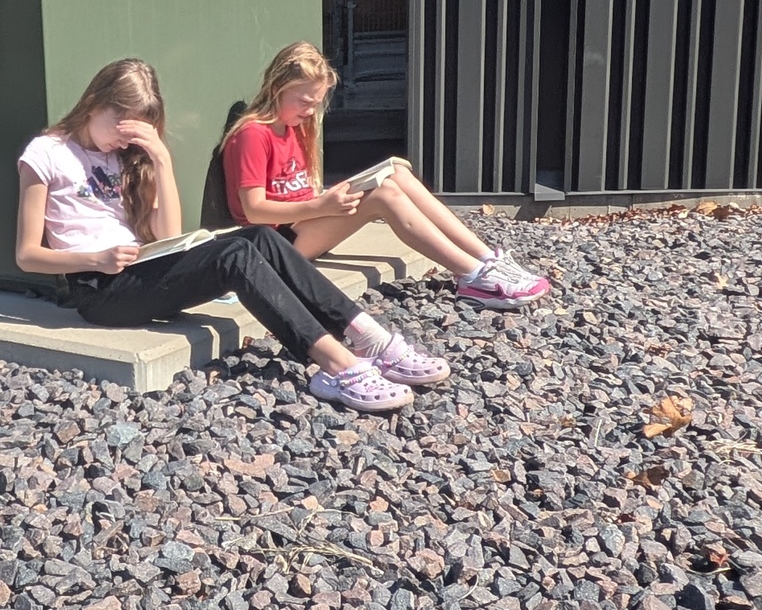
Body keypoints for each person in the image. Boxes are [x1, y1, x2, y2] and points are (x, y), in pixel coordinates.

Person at [15, 58, 450, 412]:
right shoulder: (47, 153)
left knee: (258, 237)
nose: (123, 139)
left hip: (139, 270)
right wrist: (96, 259)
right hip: (99, 290)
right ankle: (337, 366)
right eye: (120, 125)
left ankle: (369, 337)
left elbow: (167, 234)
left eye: (137, 130)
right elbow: (27, 256)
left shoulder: (127, 157)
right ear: (95, 103)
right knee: (235, 256)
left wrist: (161, 159)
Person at [220, 41, 551, 310]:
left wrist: (329, 199)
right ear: (278, 87)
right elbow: (255, 210)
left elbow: (297, 193)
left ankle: (488, 258)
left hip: (302, 223)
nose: (310, 111)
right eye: (305, 101)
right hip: (274, 241)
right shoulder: (253, 134)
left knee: (396, 173)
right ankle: (474, 276)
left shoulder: (293, 126)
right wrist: (322, 206)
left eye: (316, 103)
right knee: (384, 196)